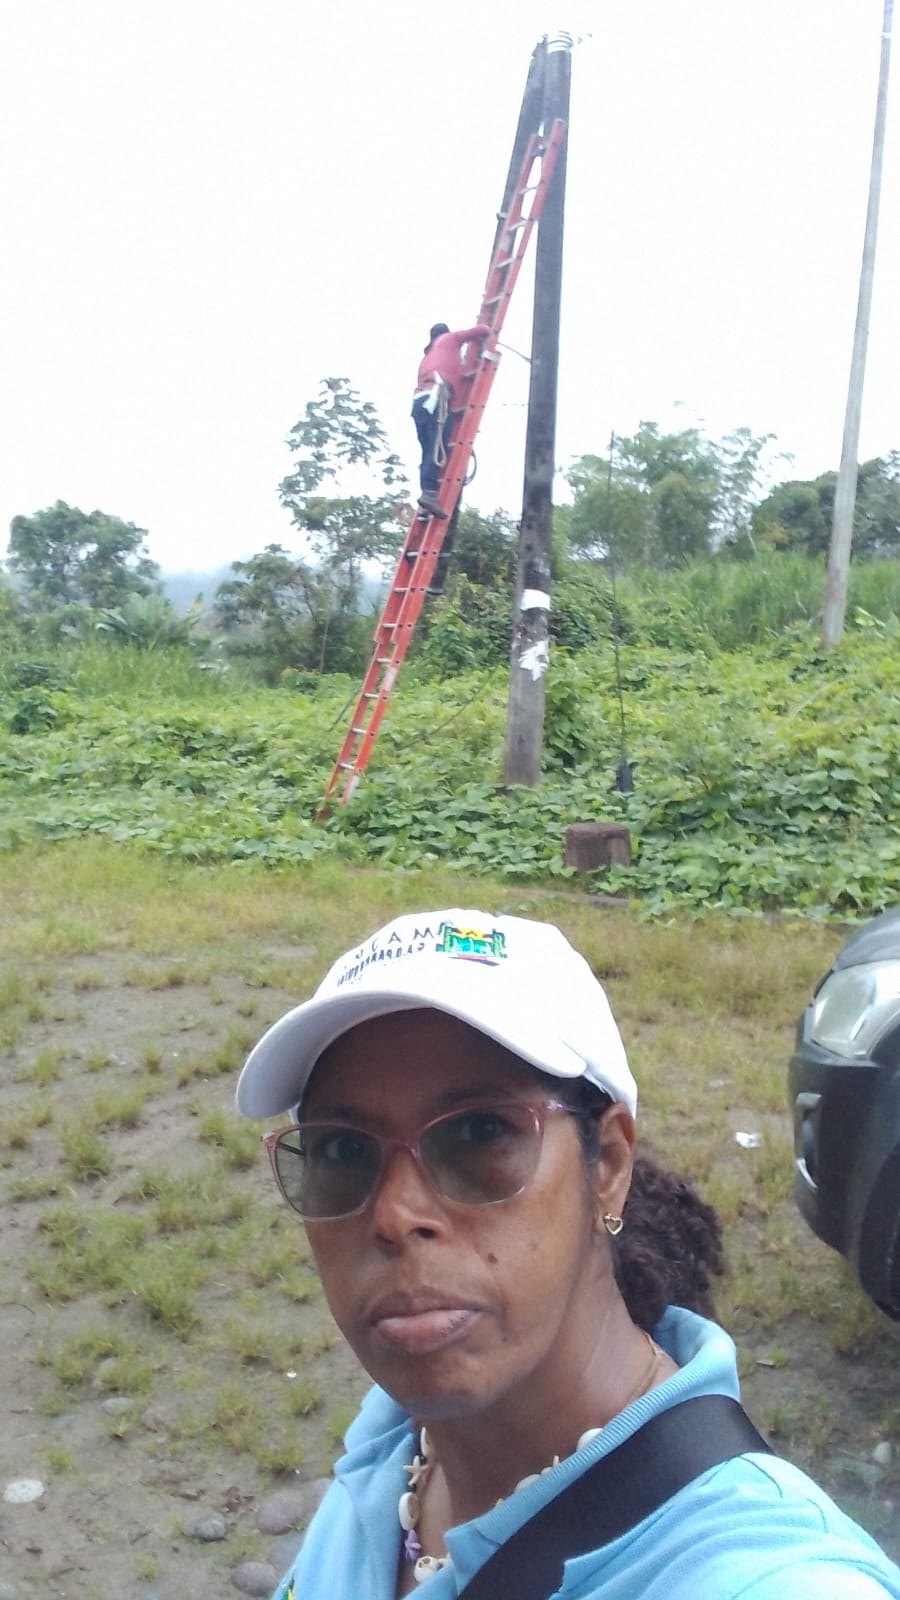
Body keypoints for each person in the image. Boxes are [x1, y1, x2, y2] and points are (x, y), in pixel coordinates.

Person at [236, 909, 900, 1600]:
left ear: (607, 1163)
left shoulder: (764, 1577)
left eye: (479, 1133)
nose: (395, 1216)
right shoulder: (394, 1440)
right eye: (342, 1148)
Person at [412, 322, 490, 519]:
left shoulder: (426, 358)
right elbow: (483, 330)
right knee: (437, 448)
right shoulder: (449, 339)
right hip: (435, 400)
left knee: (428, 451)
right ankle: (429, 494)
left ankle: (426, 498)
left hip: (420, 403)